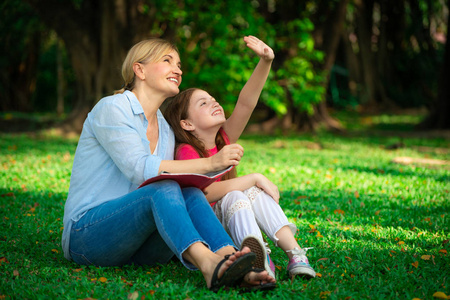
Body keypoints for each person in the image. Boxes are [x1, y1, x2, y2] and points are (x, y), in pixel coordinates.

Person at [61, 38, 276, 292]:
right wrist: (210, 163)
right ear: (139, 70)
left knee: (189, 191)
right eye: (167, 61)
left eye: (179, 64)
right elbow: (139, 168)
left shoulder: (165, 129)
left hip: (138, 247)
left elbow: (242, 110)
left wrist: (266, 61)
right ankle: (209, 264)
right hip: (89, 238)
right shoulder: (113, 108)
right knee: (162, 187)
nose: (178, 70)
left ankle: (234, 260)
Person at [163, 36, 316, 279]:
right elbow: (204, 194)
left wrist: (266, 60)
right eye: (203, 103)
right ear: (187, 123)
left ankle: (295, 254)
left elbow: (246, 103)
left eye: (213, 99)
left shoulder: (223, 138)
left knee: (253, 192)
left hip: (234, 218)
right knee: (237, 192)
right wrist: (254, 177)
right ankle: (257, 260)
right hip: (210, 232)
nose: (214, 103)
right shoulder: (186, 152)